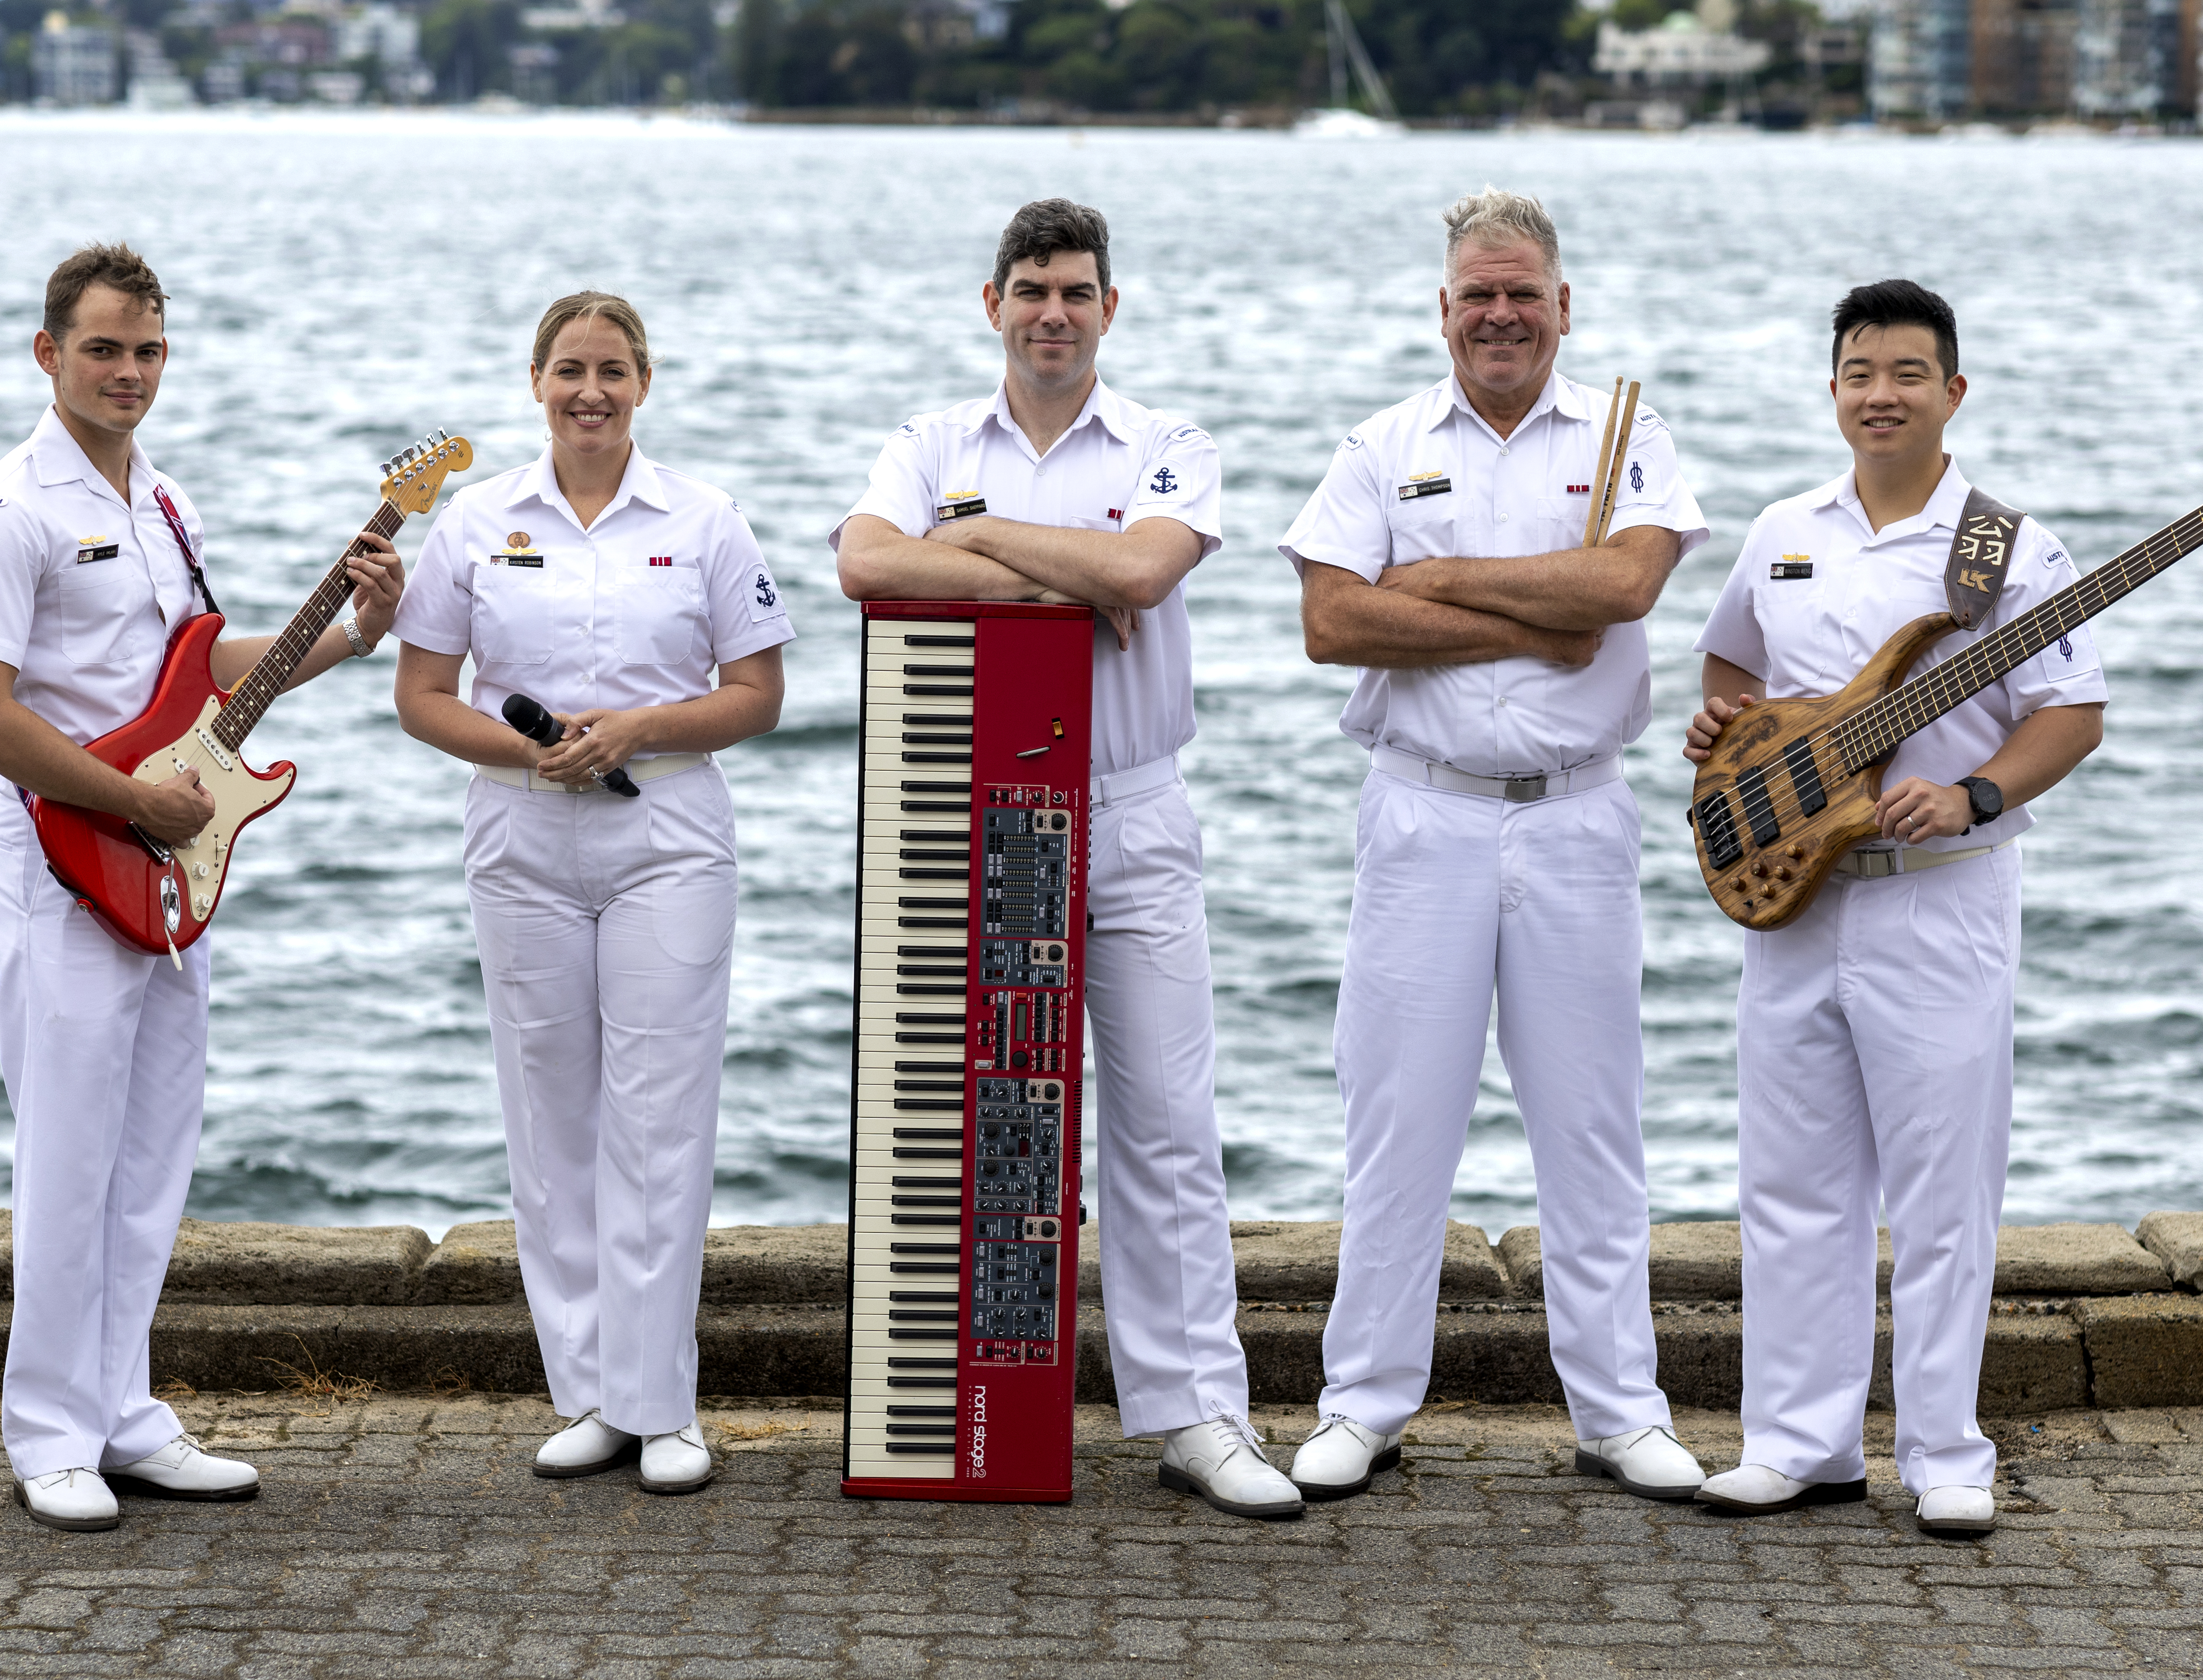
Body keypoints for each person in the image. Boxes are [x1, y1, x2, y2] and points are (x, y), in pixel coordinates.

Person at [832, 199, 1301, 1520]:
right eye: (1032, 289)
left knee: (1163, 1121)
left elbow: (1144, 577)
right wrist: (1057, 581)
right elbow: (868, 563)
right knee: (979, 1117)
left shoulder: (1169, 443)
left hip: (1135, 805)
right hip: (969, 810)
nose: (1054, 312)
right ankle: (961, 1421)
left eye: (1077, 292)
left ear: (1110, 309)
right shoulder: (930, 440)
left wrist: (969, 546)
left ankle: (1199, 1413)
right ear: (994, 304)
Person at [0, 243, 406, 1531]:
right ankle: (48, 1435)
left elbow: (205, 680)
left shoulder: (166, 504)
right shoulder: (4, 514)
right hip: (59, 853)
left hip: (166, 863)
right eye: (103, 348)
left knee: (149, 1159)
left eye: (147, 349)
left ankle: (125, 1418)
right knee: (71, 1155)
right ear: (48, 354)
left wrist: (356, 630)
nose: (129, 372)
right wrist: (133, 801)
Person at [1277, 188, 1710, 1503]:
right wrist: (1536, 615)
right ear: (1444, 309)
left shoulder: (1629, 438)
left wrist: (1435, 578)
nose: (1502, 315)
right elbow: (1335, 625)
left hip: (1578, 813)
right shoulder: (1382, 445)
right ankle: (1364, 1401)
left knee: (1591, 1122)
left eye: (1524, 293)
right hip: (1427, 813)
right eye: (1479, 294)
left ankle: (1621, 1411)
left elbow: (1627, 589)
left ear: (1563, 306)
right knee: (1398, 1115)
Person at [1684, 280, 2106, 1536]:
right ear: (1833, 390)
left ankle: (1946, 1453)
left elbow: (2071, 715)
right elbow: (1732, 667)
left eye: (1908, 374)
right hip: (1801, 899)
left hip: (1941, 900)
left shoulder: (2009, 551)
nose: (1882, 394)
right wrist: (1725, 734)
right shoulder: (1781, 531)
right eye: (1860, 372)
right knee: (1793, 1181)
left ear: (1954, 392)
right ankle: (1801, 1445)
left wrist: (1974, 796)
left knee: (1941, 1186)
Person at [393, 292, 791, 1497]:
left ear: (643, 385)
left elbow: (759, 691)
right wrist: (533, 752)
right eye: (571, 370)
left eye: (613, 371)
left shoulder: (704, 519)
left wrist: (639, 726)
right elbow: (422, 693)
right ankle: (592, 1397)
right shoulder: (474, 521)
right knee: (550, 1122)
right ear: (536, 382)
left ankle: (663, 1405)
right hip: (521, 834)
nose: (591, 393)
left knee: (659, 1122)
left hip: (667, 828)